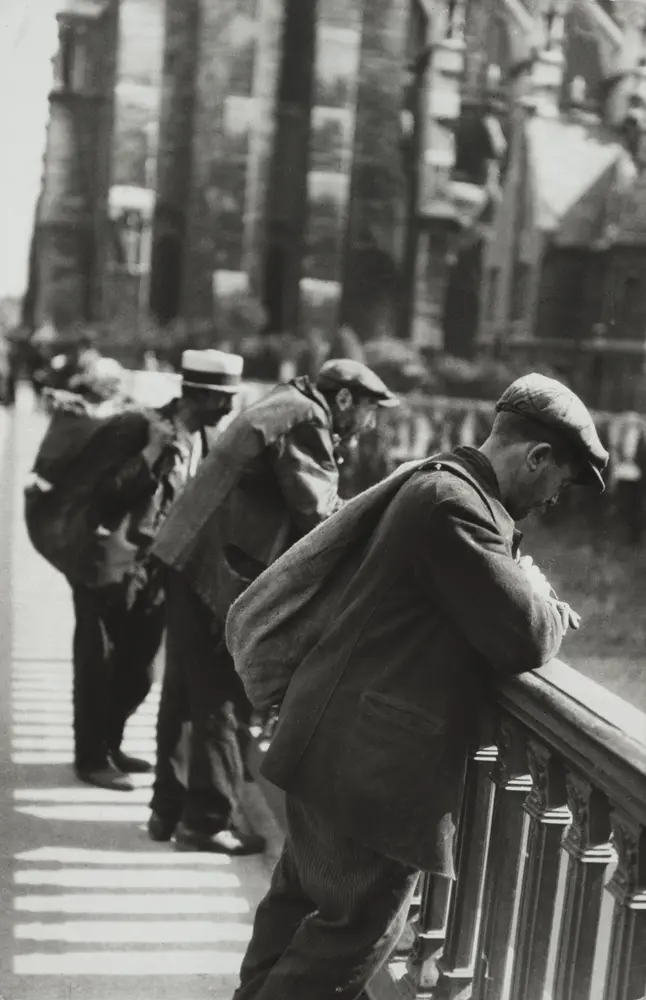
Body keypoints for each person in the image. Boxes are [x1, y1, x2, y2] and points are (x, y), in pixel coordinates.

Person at [226, 373, 608, 999]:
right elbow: (527, 635)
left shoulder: (441, 486)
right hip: (371, 772)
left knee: (295, 911)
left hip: (336, 748)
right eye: (557, 482)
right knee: (351, 941)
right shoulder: (453, 505)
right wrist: (538, 593)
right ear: (537, 456)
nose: (551, 501)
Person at [147, 359, 399, 855]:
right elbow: (320, 513)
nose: (369, 423)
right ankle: (205, 820)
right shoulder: (307, 419)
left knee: (182, 688)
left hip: (185, 551)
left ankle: (167, 807)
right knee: (220, 692)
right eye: (369, 410)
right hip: (213, 568)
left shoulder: (287, 401)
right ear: (345, 399)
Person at [25, 349, 242, 792]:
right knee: (97, 662)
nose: (231, 408)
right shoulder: (138, 428)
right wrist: (149, 454)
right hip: (105, 563)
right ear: (200, 395)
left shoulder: (204, 437)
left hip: (153, 566)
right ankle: (91, 757)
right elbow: (103, 494)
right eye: (225, 399)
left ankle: (111, 741)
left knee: (141, 670)